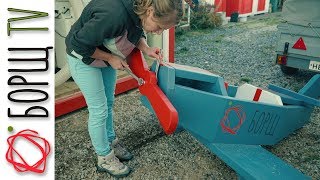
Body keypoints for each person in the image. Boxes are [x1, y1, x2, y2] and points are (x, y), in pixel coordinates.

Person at [65, 0, 183, 178]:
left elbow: (135, 30)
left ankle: (111, 140)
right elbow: (78, 44)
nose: (158, 32)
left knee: (109, 103)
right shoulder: (113, 15)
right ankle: (104, 157)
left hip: (104, 55)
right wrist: (110, 58)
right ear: (150, 11)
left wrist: (146, 48)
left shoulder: (138, 9)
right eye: (159, 27)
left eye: (162, 30)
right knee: (99, 110)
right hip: (83, 57)